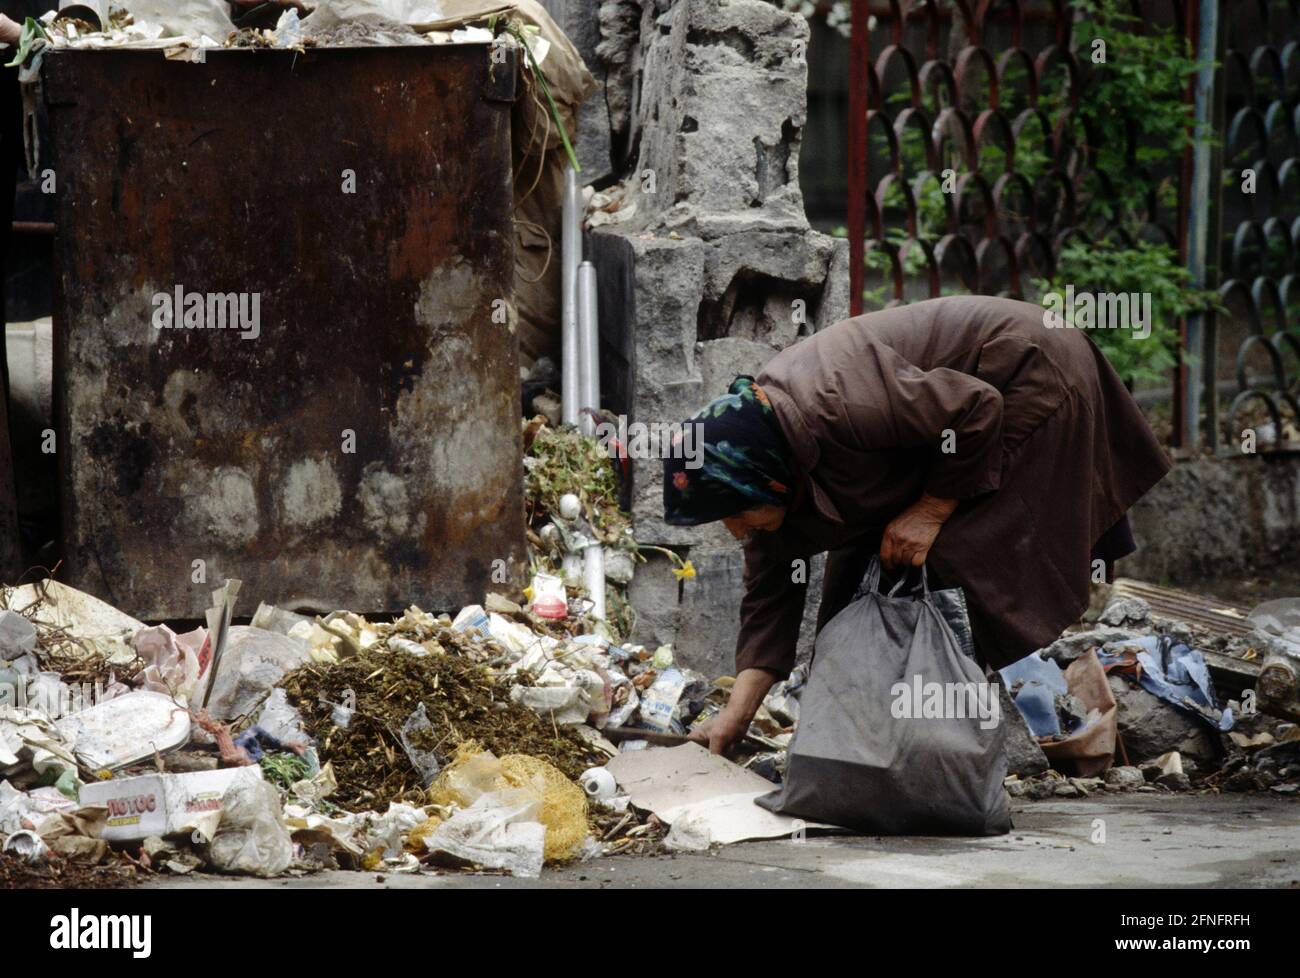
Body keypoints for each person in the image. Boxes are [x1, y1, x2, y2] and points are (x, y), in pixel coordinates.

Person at [662, 295, 1171, 754]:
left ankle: (947, 750)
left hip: (1028, 374)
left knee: (951, 564)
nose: (734, 531)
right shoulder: (769, 457)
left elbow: (976, 411)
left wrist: (930, 510)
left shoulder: (837, 401)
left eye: (733, 514)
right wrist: (736, 715)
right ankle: (879, 749)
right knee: (856, 597)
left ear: (765, 482)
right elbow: (771, 592)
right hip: (952, 418)